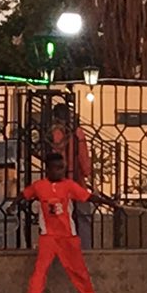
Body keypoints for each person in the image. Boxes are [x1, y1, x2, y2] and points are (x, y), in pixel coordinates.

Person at [11, 152, 120, 293]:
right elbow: (24, 194)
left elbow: (89, 197)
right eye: (56, 169)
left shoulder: (69, 186)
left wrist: (109, 203)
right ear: (48, 170)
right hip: (48, 236)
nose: (60, 172)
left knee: (77, 269)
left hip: (68, 235)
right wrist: (13, 205)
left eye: (62, 169)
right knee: (40, 268)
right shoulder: (39, 186)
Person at [50, 103, 94, 249]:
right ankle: (84, 248)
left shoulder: (55, 133)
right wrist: (87, 173)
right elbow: (83, 157)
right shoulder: (77, 133)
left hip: (59, 181)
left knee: (60, 216)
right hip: (76, 179)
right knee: (83, 216)